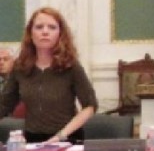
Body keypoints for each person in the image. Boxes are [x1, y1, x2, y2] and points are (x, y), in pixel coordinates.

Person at [0, 7, 97, 143]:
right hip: (32, 140)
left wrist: (61, 136)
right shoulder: (20, 67)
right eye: (39, 27)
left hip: (66, 138)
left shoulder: (71, 66)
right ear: (30, 33)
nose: (45, 32)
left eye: (52, 27)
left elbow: (90, 105)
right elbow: (4, 104)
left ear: (60, 34)